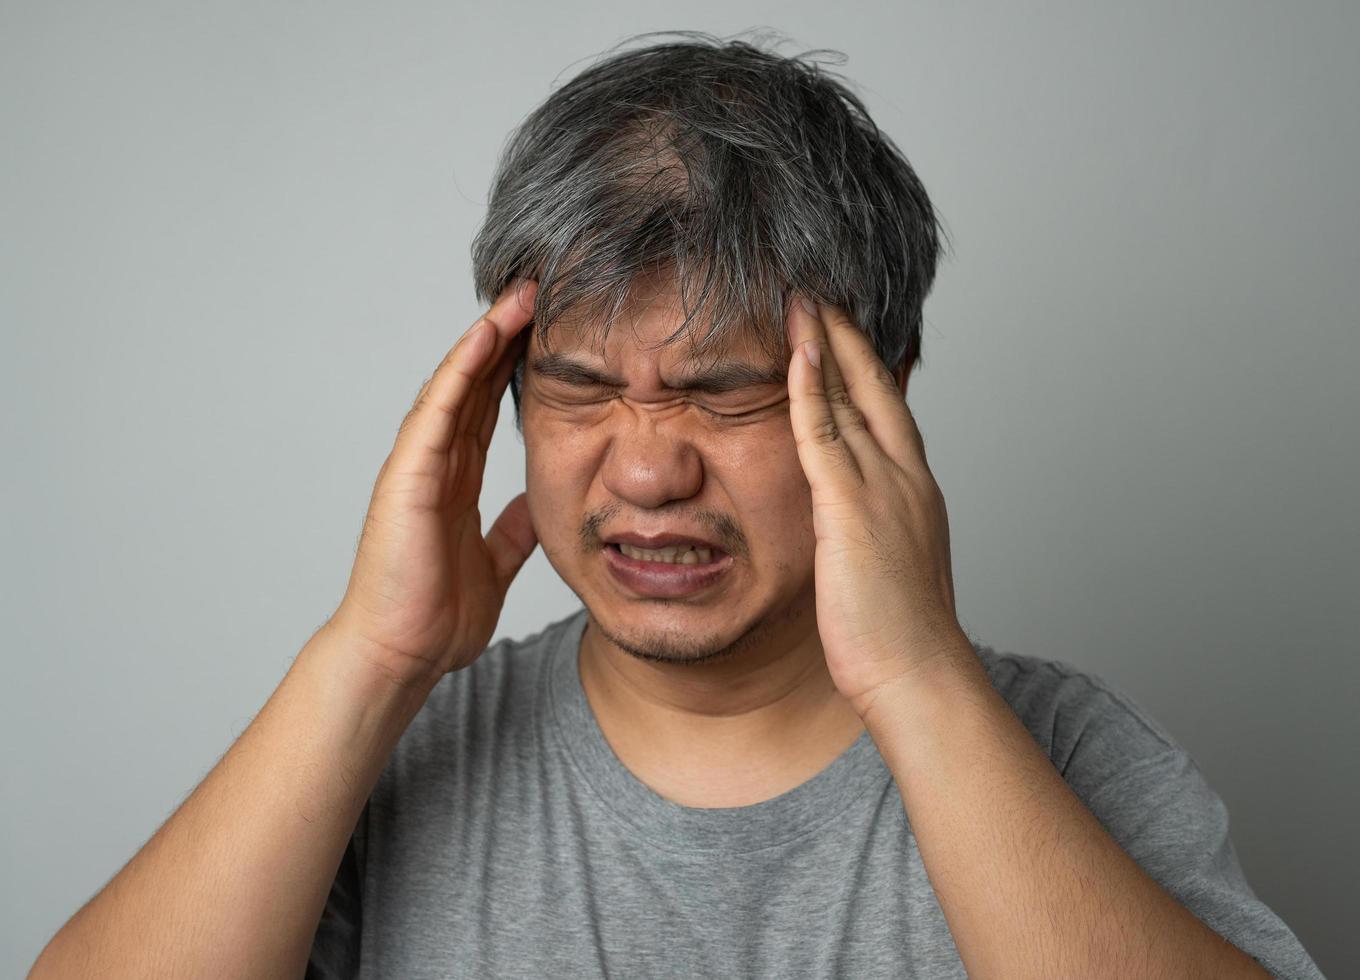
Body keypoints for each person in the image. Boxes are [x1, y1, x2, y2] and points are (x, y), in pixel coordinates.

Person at [29, 31, 1322, 980]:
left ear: (883, 398)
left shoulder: (1069, 757)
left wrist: (920, 679)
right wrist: (371, 660)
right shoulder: (395, 756)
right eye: (580, 389)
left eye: (723, 393)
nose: (645, 471)